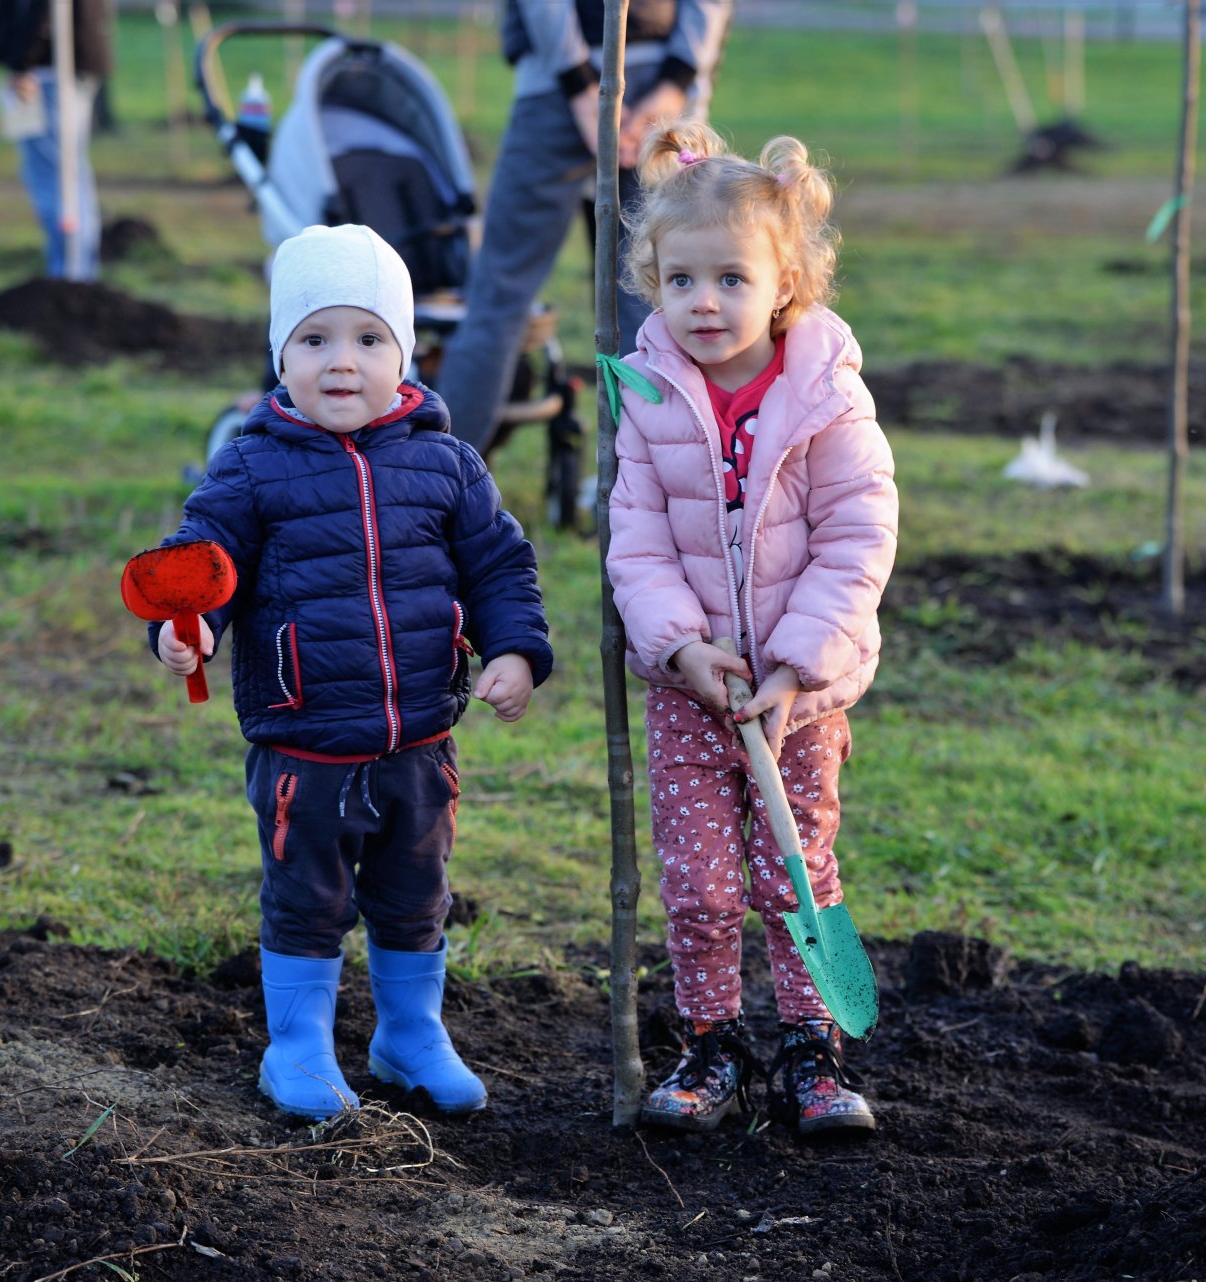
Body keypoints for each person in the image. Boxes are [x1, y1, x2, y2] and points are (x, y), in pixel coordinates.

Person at [145, 224, 553, 1121]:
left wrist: (515, 648)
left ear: (403, 357)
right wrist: (190, 628)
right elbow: (201, 561)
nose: (342, 363)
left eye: (369, 340)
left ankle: (410, 1037)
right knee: (308, 897)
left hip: (419, 736)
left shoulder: (446, 464)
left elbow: (499, 567)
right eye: (315, 339)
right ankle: (296, 1048)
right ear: (280, 356)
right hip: (305, 738)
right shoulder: (250, 469)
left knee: (416, 895)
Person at [605, 121, 897, 1138]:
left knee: (795, 868)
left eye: (731, 279)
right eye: (680, 280)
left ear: (785, 283)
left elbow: (859, 537)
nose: (704, 302)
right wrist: (679, 647)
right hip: (693, 688)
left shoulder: (825, 397)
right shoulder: (645, 396)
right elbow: (634, 539)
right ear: (653, 282)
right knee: (698, 881)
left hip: (797, 692)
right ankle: (712, 1043)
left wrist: (794, 664)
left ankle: (815, 1048)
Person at [434, 0, 732, 456]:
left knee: (497, 297)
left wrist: (579, 83)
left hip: (556, 88)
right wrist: (676, 81)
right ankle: (663, 486)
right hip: (661, 91)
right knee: (657, 299)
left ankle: (437, 487)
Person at [0, 0, 111, 281]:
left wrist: (24, 62)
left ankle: (70, 275)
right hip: (57, 67)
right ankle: (76, 271)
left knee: (55, 177)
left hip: (48, 73)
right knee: (68, 173)